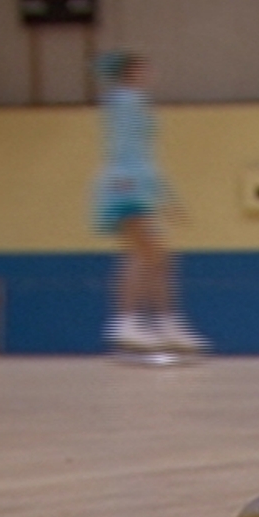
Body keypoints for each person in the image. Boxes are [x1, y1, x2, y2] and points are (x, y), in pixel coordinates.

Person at [92, 49, 207, 354]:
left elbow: (144, 156)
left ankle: (162, 320)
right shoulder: (127, 102)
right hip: (127, 184)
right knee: (144, 255)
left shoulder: (125, 103)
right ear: (132, 72)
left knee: (156, 256)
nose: (150, 75)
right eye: (144, 69)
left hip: (132, 183)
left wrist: (166, 196)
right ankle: (130, 321)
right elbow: (131, 153)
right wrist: (163, 196)